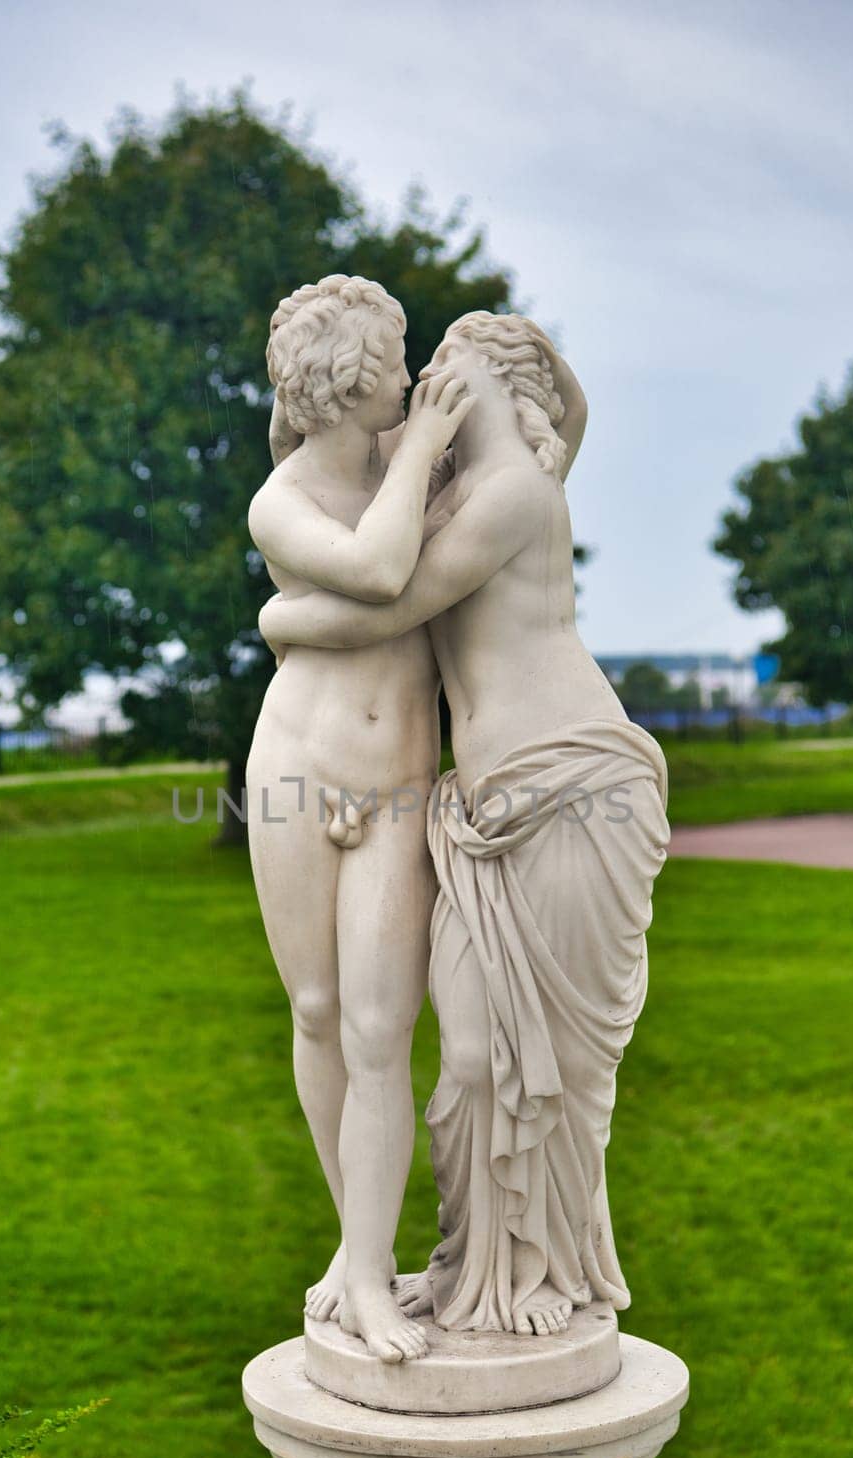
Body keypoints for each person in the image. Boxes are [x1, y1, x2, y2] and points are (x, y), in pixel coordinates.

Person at [258, 312, 670, 1337]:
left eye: (451, 364)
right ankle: (470, 1262)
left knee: (551, 1058)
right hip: (477, 801)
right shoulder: (435, 477)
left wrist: (278, 620)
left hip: (566, 780)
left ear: (500, 388)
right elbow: (319, 449)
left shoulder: (512, 493)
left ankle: (540, 1270)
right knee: (480, 1052)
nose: (429, 381)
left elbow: (392, 594)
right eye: (419, 363)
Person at [246, 275, 474, 1363]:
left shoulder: (409, 467)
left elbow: (551, 446)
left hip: (394, 789)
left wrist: (285, 613)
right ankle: (362, 1258)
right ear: (346, 377)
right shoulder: (281, 498)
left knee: (386, 1032)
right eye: (393, 353)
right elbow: (385, 569)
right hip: (293, 773)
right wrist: (425, 444)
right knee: (319, 1011)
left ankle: (371, 1272)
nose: (410, 368)